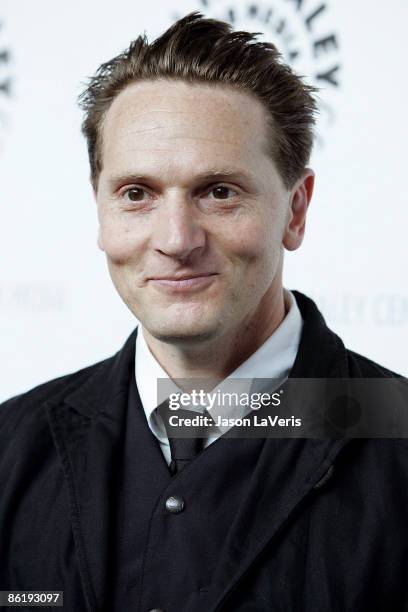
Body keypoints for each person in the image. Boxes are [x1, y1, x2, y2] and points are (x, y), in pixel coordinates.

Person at [0, 12, 407, 612]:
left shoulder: (396, 440)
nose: (176, 239)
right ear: (100, 210)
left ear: (295, 211)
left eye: (219, 192)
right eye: (136, 194)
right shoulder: (11, 448)